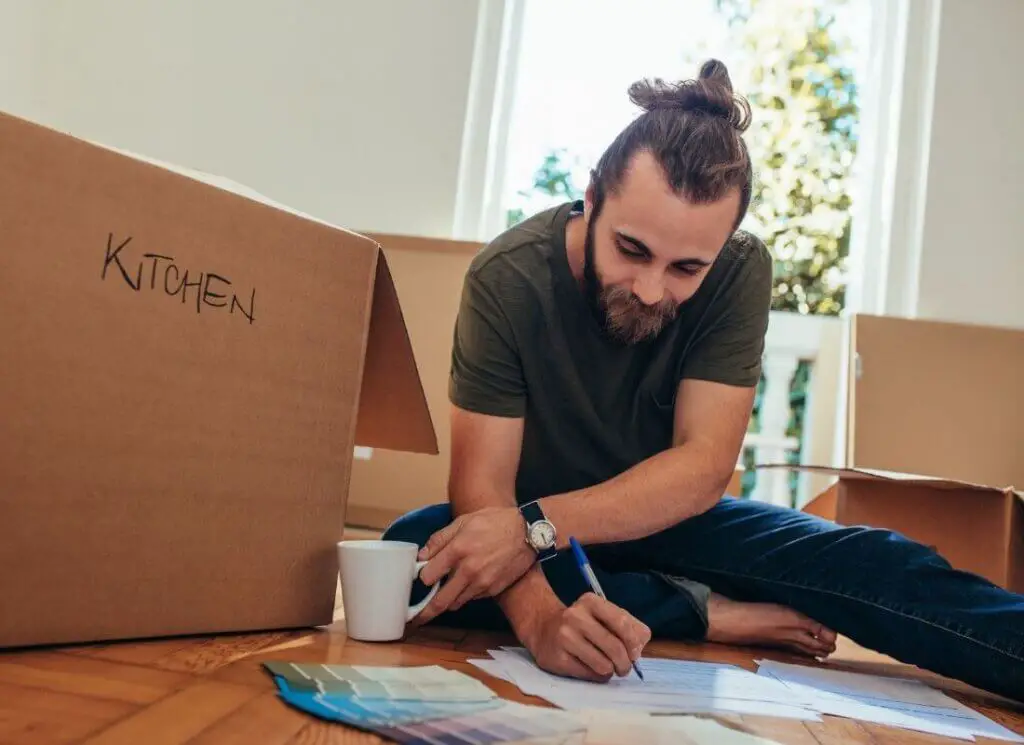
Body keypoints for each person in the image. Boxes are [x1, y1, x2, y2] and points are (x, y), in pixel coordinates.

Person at [382, 59, 1024, 703]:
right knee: (411, 548)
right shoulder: (507, 277)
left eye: (687, 267)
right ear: (594, 196)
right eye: (632, 250)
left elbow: (702, 467)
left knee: (875, 561)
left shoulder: (740, 270)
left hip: (662, 521)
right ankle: (708, 612)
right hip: (531, 536)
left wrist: (532, 527)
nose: (653, 289)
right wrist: (539, 618)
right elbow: (481, 489)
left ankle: (670, 603)